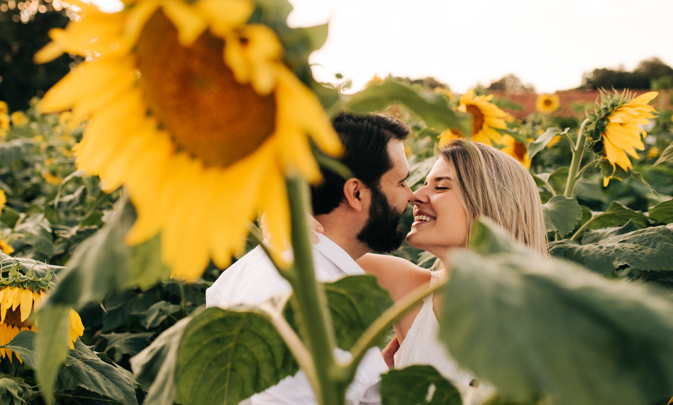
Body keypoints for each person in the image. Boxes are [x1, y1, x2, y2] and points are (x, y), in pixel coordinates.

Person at [206, 112, 415, 405]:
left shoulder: (264, 265)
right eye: (401, 182)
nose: (412, 195)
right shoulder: (314, 303)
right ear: (355, 193)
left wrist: (371, 382)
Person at [355, 139, 548, 392]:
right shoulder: (406, 289)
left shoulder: (548, 325)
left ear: (489, 204)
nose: (415, 196)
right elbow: (304, 255)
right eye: (424, 184)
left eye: (441, 187)